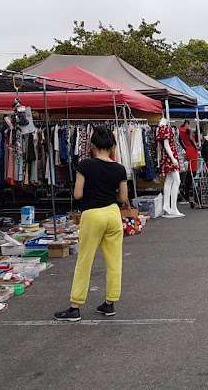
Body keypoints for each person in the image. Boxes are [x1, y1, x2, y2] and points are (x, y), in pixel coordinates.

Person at [54, 126, 128, 322]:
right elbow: (124, 197)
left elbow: (78, 194)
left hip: (92, 214)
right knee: (114, 261)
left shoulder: (85, 165)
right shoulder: (119, 168)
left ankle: (75, 306)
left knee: (85, 260)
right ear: (112, 145)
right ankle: (110, 302)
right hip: (113, 213)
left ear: (92, 145)